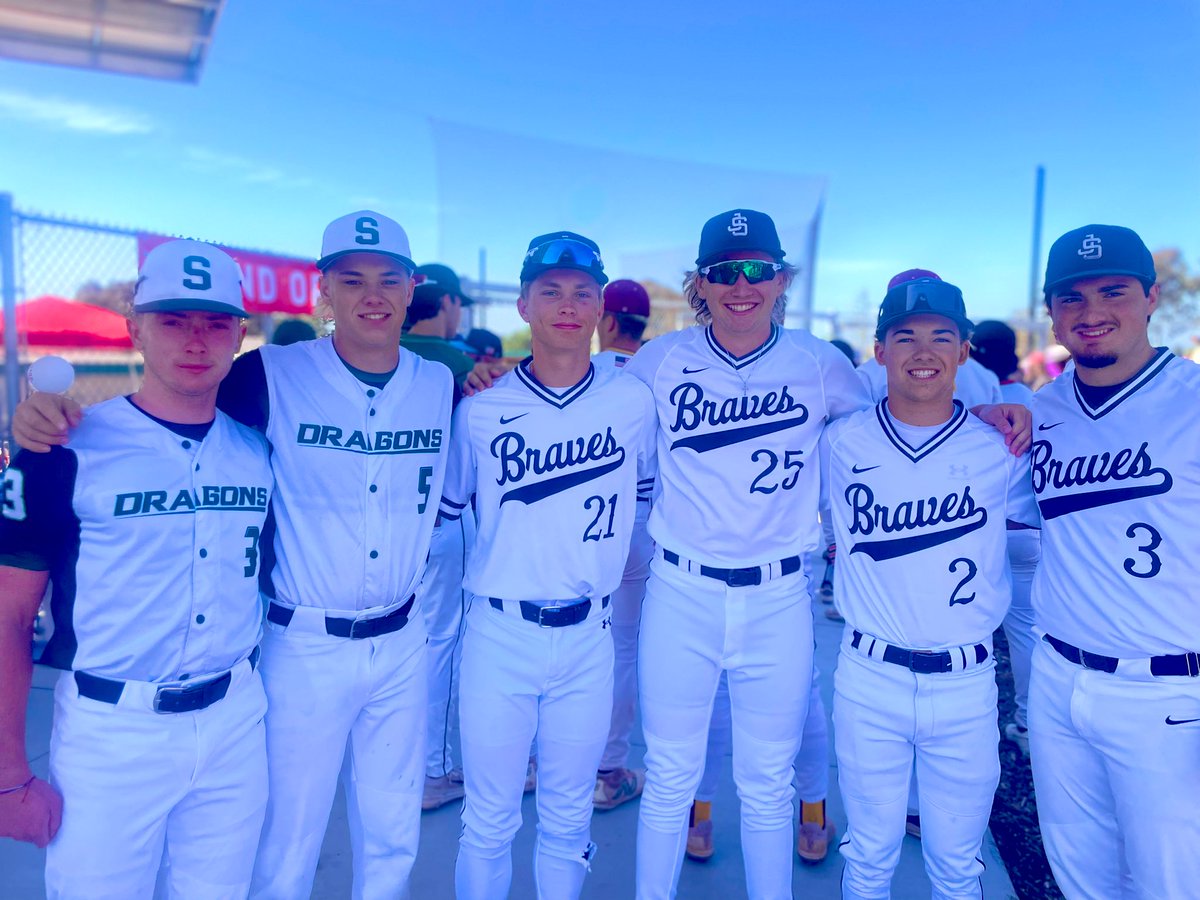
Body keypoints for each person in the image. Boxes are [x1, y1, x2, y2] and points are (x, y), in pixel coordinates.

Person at [9, 210, 453, 899]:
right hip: (269, 654)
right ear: (323, 290)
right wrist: (36, 418)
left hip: (363, 653)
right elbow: (167, 408)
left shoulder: (439, 383)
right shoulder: (263, 377)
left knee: (386, 830)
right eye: (351, 279)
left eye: (388, 279)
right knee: (284, 846)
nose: (196, 339)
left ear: (411, 288)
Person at [0, 240, 273, 898]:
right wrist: (8, 776)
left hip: (234, 720)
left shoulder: (259, 449)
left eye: (215, 323)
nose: (196, 339)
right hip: (112, 731)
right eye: (173, 320)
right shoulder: (63, 448)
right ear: (136, 329)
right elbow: (9, 614)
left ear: (239, 335)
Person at [626, 209, 872, 900]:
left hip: (778, 596)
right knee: (669, 778)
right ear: (700, 283)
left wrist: (986, 414)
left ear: (781, 279)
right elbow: (586, 410)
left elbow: (890, 431)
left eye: (758, 270)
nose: (742, 285)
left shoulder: (820, 364)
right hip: (681, 593)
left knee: (767, 783)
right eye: (724, 271)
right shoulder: (658, 362)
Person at [438, 231, 656, 899]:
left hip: (589, 636)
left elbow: (643, 497)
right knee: (489, 821)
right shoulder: (481, 409)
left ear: (599, 308)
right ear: (524, 305)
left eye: (582, 292)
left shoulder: (633, 402)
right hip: (500, 633)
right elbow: (448, 516)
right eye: (550, 291)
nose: (567, 305)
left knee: (567, 820)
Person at [824, 276, 1037, 898]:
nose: (923, 351)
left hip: (966, 682)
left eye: (941, 337)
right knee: (868, 856)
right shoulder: (839, 442)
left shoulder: (1002, 448)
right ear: (880, 351)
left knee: (957, 866)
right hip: (869, 677)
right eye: (905, 337)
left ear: (964, 351)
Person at [1029, 224, 1200, 899]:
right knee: (1080, 876)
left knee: (1171, 883)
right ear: (1052, 311)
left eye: (1113, 291)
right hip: (1056, 678)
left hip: (1167, 690)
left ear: (1152, 297)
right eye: (1071, 296)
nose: (1091, 311)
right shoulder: (1040, 409)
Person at [402, 263, 478, 811]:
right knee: (442, 641)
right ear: (446, 303)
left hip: (382, 528)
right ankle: (434, 769)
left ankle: (410, 761)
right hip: (441, 520)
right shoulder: (457, 363)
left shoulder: (375, 354)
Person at [592, 277, 654, 811]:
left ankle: (546, 758)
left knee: (564, 641)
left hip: (579, 523)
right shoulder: (657, 375)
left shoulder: (580, 372)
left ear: (605, 320)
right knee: (624, 647)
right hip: (642, 522)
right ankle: (608, 770)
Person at [970, 320, 1040, 756]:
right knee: (1026, 633)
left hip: (983, 532)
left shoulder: (973, 390)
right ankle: (1029, 722)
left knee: (969, 630)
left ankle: (970, 724)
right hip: (1027, 532)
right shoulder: (1032, 399)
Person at [856, 269, 1002, 408]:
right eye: (906, 339)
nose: (924, 354)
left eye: (940, 339)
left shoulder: (867, 374)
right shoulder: (984, 375)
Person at [403, 263, 476, 390]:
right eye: (459, 305)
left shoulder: (383, 351)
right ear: (446, 301)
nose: (459, 313)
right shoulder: (464, 367)